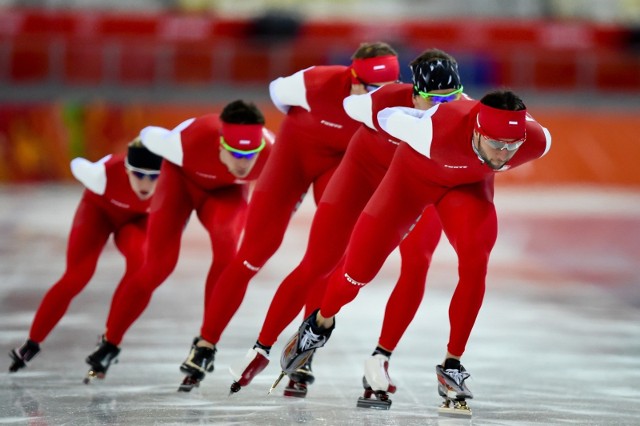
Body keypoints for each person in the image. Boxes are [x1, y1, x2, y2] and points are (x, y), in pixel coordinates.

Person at [279, 89, 552, 415]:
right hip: (411, 180)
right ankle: (318, 325)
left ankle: (452, 364)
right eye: (497, 144)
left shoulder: (537, 141)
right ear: (478, 130)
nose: (505, 154)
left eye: (513, 146)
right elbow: (383, 117)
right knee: (357, 274)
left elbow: (516, 141)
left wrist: (504, 147)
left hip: (465, 189)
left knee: (476, 262)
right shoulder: (431, 128)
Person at [228, 49, 466, 401]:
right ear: (415, 93)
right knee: (320, 262)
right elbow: (340, 108)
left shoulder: (466, 114)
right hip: (362, 175)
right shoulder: (378, 102)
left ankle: (380, 360)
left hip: (416, 186)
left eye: (453, 98)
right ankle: (262, 347)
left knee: (418, 264)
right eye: (434, 100)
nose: (444, 108)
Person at [179, 42, 401, 389]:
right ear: (351, 76)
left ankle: (303, 349)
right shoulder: (314, 82)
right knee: (253, 254)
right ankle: (205, 344)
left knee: (325, 260)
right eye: (366, 87)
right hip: (293, 159)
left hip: (340, 167)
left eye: (381, 89)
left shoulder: (391, 103)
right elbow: (277, 94)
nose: (372, 95)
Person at [81, 100, 274, 386]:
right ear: (221, 144)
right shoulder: (185, 141)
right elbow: (149, 134)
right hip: (180, 182)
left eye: (251, 154)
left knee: (228, 254)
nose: (243, 163)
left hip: (226, 194)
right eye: (235, 153)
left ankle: (206, 346)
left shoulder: (274, 152)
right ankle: (110, 342)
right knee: (157, 266)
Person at [8, 138, 163, 372]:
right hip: (98, 212)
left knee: (141, 268)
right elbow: (77, 164)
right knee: (77, 276)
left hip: (136, 222)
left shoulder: (174, 182)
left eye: (154, 177)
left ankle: (110, 344)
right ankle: (31, 343)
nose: (145, 183)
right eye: (139, 174)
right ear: (127, 170)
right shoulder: (100, 174)